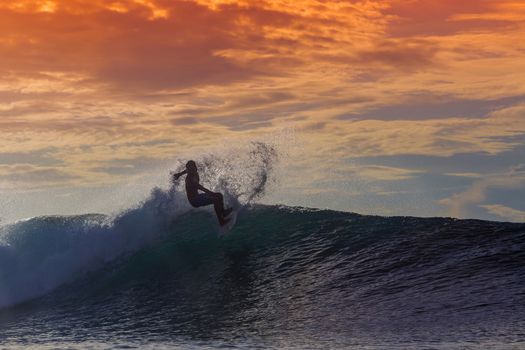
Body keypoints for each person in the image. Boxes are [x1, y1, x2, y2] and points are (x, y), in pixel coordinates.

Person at [172, 160, 233, 226]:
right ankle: (221, 222)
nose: (189, 170)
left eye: (191, 168)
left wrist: (179, 174)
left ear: (194, 167)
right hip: (194, 201)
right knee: (216, 200)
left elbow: (185, 171)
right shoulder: (190, 178)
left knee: (219, 195)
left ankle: (223, 212)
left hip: (198, 196)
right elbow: (201, 188)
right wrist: (212, 193)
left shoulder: (193, 171)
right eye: (189, 169)